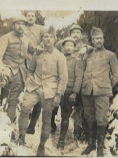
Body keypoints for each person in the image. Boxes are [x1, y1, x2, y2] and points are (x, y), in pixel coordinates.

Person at [18, 26, 68, 156]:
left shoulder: (60, 56)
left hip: (50, 91)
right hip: (34, 87)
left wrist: (58, 95)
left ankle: (41, 146)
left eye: (51, 37)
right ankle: (21, 137)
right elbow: (30, 70)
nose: (48, 39)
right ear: (43, 38)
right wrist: (29, 80)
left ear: (55, 39)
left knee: (46, 119)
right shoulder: (37, 53)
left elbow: (63, 78)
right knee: (24, 108)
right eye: (46, 36)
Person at [81, 27, 118, 157]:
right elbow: (82, 70)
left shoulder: (110, 55)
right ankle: (91, 144)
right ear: (92, 40)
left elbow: (117, 74)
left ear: (103, 39)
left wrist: (107, 85)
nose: (99, 40)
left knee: (101, 119)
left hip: (102, 92)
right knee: (89, 117)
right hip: (87, 91)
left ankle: (99, 148)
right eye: (96, 38)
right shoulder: (87, 55)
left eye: (101, 38)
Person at [0, 16, 30, 122]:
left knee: (14, 97)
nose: (21, 26)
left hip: (20, 71)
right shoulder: (5, 37)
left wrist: (40, 49)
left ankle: (10, 120)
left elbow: (34, 51)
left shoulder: (27, 39)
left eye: (23, 24)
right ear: (13, 25)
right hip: (6, 67)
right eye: (18, 24)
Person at [56, 37, 83, 150]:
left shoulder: (77, 61)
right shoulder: (58, 59)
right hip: (56, 91)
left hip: (68, 93)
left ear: (74, 48)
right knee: (50, 113)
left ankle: (61, 140)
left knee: (65, 116)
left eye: (71, 46)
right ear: (63, 47)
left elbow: (78, 78)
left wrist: (75, 92)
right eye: (66, 45)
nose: (68, 47)